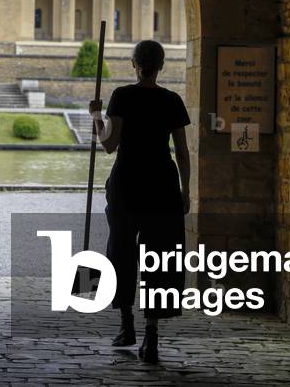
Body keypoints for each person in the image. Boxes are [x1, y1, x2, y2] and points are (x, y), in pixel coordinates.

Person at [90, 39, 191, 364]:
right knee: (160, 258)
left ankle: (125, 326)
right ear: (161, 66)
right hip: (162, 183)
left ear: (135, 64)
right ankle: (151, 335)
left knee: (121, 251)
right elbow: (183, 152)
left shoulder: (122, 96)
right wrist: (186, 191)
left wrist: (96, 116)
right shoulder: (172, 100)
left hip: (128, 182)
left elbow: (109, 144)